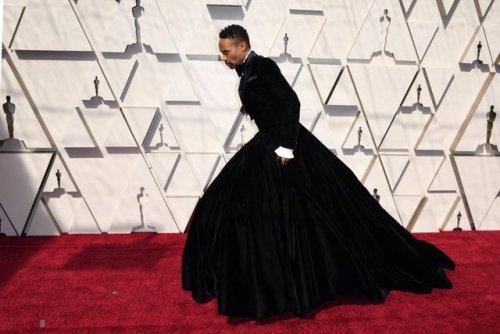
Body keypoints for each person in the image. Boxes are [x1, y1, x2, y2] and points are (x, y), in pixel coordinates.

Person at [182, 24, 455, 320]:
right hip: (269, 141)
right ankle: (259, 281)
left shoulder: (264, 66)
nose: (223, 57)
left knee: (300, 210)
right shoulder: (249, 69)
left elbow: (291, 102)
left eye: (226, 51)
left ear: (243, 47)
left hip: (281, 144)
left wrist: (286, 148)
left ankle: (288, 284)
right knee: (234, 205)